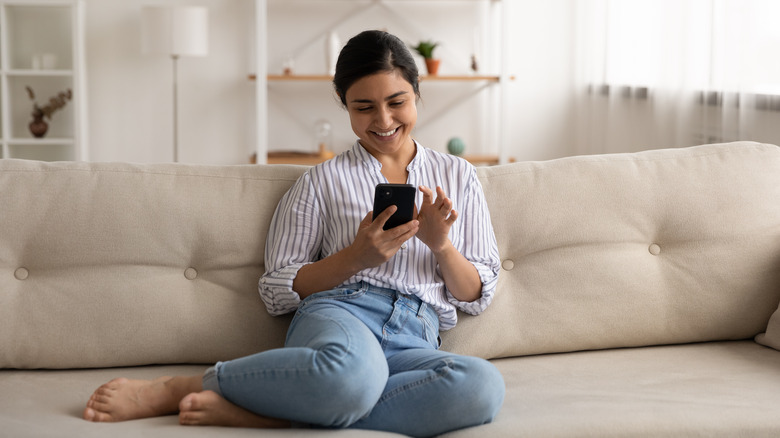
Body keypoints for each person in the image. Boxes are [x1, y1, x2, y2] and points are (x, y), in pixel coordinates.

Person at [82, 29, 504, 437]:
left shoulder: (459, 175)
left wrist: (441, 245)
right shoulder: (319, 182)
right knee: (351, 376)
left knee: (481, 387)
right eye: (363, 107)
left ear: (417, 92)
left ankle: (275, 418)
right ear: (343, 104)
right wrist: (355, 258)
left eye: (397, 102)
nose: (383, 120)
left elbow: (475, 294)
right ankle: (178, 389)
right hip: (342, 316)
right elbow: (276, 290)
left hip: (416, 332)